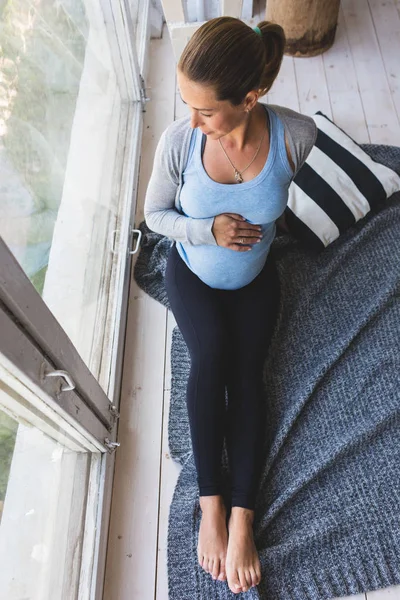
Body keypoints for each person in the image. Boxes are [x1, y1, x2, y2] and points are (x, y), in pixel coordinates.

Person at [144, 16, 317, 595]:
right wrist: (207, 229)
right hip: (192, 273)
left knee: (248, 379)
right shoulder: (180, 142)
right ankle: (211, 504)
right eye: (188, 105)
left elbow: (280, 204)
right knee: (210, 357)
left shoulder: (296, 137)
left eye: (207, 111)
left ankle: (244, 516)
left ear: (250, 97)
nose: (194, 121)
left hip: (256, 278)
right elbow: (155, 217)